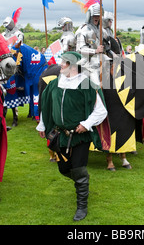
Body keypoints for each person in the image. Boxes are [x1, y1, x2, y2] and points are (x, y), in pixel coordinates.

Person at [37, 51, 108, 221]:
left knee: (78, 168)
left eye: (65, 63)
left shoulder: (86, 85)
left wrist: (86, 124)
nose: (61, 65)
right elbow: (46, 105)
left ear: (74, 66)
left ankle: (81, 206)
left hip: (79, 136)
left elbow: (101, 111)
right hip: (60, 136)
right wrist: (42, 125)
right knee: (63, 169)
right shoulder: (55, 84)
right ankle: (82, 180)